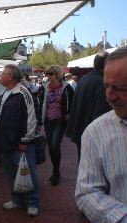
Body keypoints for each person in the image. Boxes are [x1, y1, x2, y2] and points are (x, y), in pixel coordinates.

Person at [75, 46, 127, 223]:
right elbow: (87, 192)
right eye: (107, 87)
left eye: (120, 88)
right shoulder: (96, 132)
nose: (110, 98)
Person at [0, 64, 39, 217]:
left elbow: (31, 119)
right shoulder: (5, 92)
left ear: (10, 76)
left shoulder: (23, 93)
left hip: (19, 143)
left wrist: (25, 141)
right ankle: (17, 199)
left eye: (3, 73)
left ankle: (32, 202)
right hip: (5, 141)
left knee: (27, 173)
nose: (0, 76)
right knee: (11, 173)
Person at [66, 52, 111, 162]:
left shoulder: (84, 79)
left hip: (80, 130)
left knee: (83, 163)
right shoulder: (101, 82)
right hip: (92, 134)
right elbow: (100, 113)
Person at [39, 65, 74, 185]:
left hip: (60, 120)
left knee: (54, 144)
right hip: (48, 120)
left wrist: (68, 113)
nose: (48, 76)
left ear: (58, 75)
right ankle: (55, 171)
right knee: (51, 146)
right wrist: (39, 121)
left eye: (51, 74)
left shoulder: (66, 87)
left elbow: (72, 102)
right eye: (47, 74)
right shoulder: (44, 87)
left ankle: (56, 172)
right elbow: (41, 105)